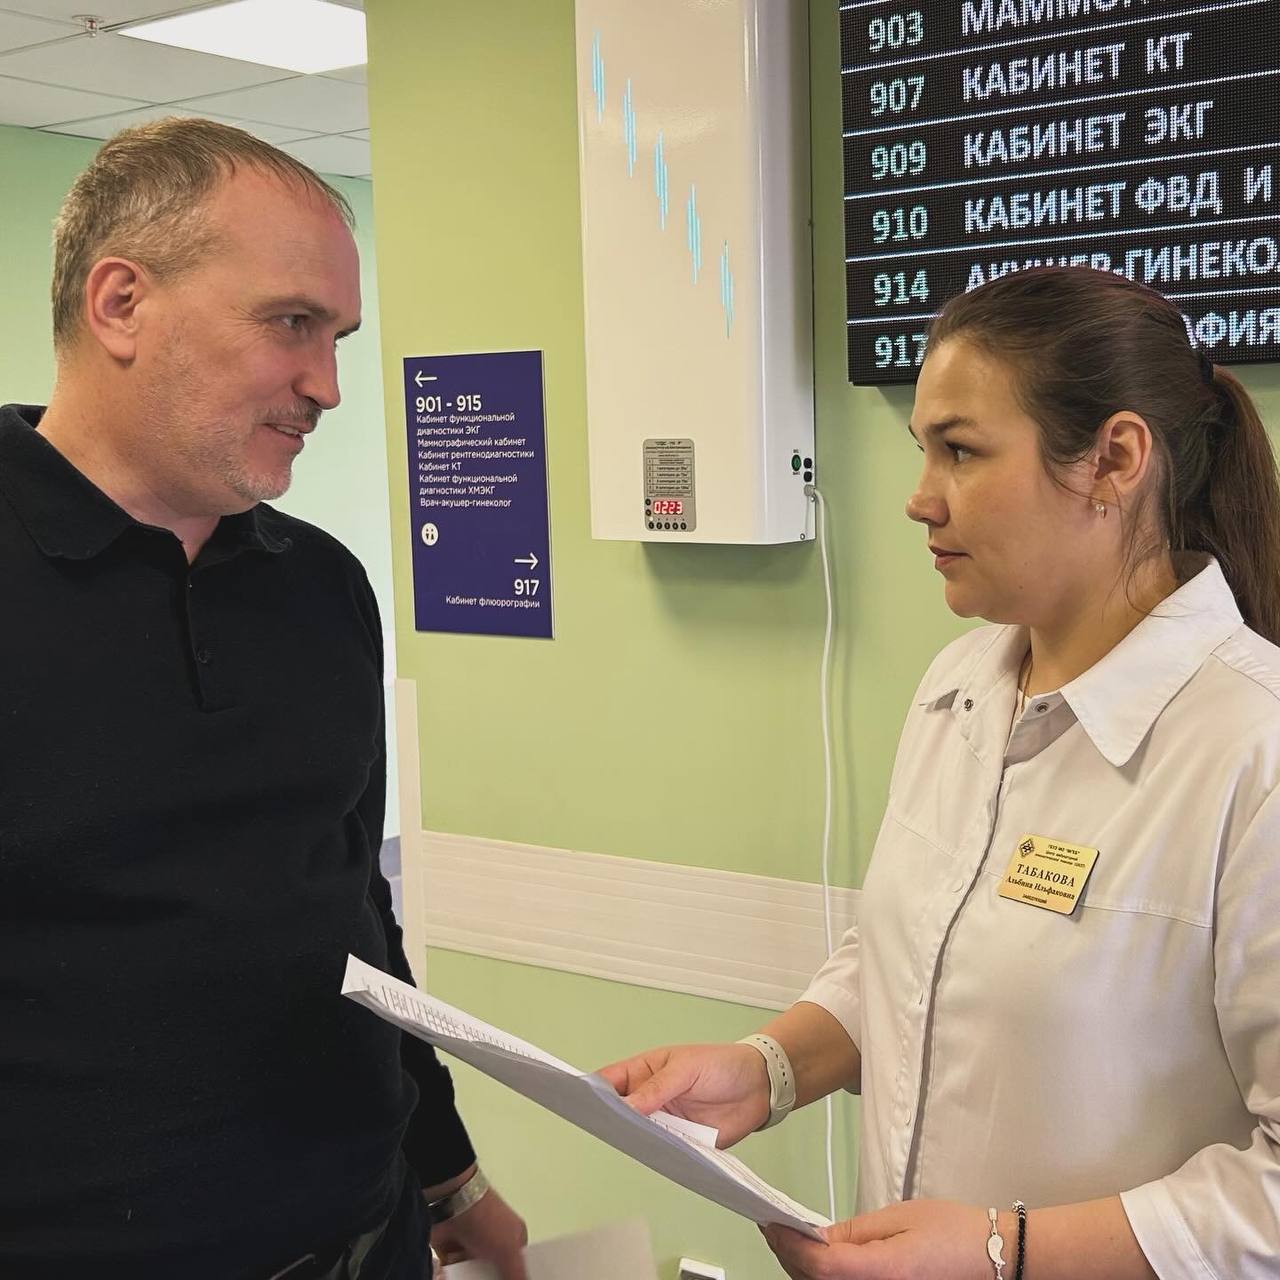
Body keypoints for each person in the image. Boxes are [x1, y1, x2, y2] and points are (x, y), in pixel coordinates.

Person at [602, 267, 1280, 1280]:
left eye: (959, 451)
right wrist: (767, 1068)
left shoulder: (1251, 749)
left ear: (1113, 459)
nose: (919, 500)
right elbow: (907, 960)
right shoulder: (956, 688)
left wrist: (1003, 1250)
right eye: (923, 449)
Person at [0, 119, 527, 1280]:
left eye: (337, 338)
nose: (326, 385)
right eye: (291, 323)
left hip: (368, 1238)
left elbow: (353, 911)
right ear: (121, 304)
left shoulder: (321, 587)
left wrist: (446, 1168)